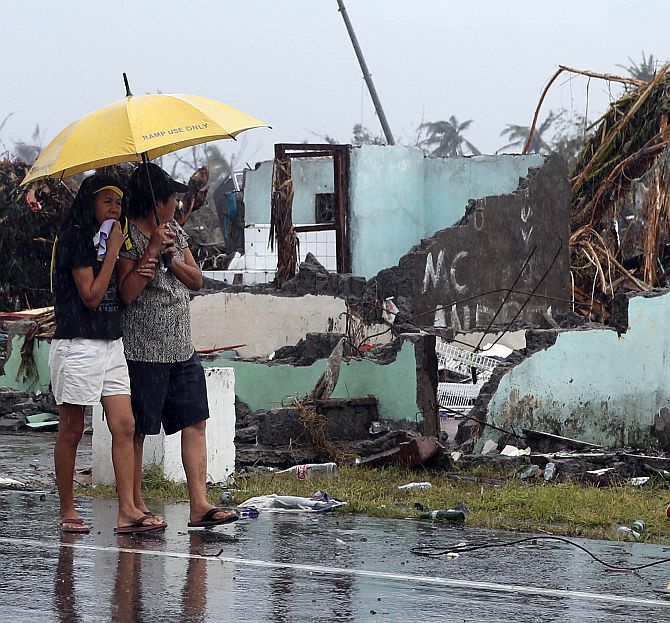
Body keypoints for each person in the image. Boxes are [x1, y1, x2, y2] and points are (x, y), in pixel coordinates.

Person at [118, 162, 237, 528]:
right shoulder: (126, 239)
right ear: (156, 201)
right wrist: (150, 253)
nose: (176, 204)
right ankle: (135, 505)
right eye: (171, 198)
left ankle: (199, 504)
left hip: (181, 347)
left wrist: (170, 256)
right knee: (139, 429)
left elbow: (197, 279)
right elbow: (125, 293)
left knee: (194, 421)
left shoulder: (174, 232)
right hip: (144, 349)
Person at [49, 174, 166, 534]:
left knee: (125, 424)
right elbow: (91, 297)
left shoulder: (113, 238)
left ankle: (128, 509)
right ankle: (67, 510)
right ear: (90, 204)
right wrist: (113, 251)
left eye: (118, 203)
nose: (115, 208)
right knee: (72, 427)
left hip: (111, 340)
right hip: (78, 342)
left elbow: (119, 291)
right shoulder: (75, 239)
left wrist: (139, 258)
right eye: (107, 202)